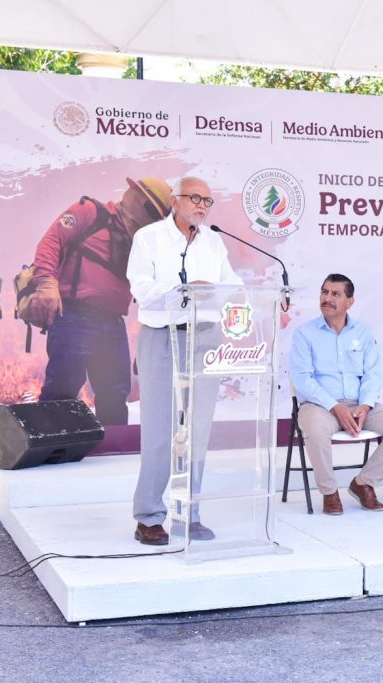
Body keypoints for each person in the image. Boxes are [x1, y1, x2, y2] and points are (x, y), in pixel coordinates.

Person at [127, 177, 242, 545]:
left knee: (197, 430)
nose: (202, 206)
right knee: (159, 430)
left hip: (204, 336)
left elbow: (233, 285)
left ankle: (188, 514)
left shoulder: (213, 241)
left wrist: (219, 292)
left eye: (207, 200)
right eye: (195, 198)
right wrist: (183, 291)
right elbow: (141, 288)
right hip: (162, 335)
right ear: (175, 201)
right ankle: (148, 516)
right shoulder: (149, 237)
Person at [26, 177, 172, 425]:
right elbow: (52, 241)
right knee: (63, 387)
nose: (155, 221)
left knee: (114, 392)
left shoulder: (143, 243)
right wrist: (47, 283)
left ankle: (112, 444)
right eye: (152, 211)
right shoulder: (90, 212)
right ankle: (49, 441)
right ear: (136, 197)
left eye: (161, 218)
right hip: (73, 315)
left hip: (112, 322)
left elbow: (152, 289)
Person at [289, 273, 383, 515]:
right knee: (314, 427)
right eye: (324, 292)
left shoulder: (363, 333)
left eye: (335, 294)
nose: (327, 298)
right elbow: (303, 379)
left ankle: (364, 483)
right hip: (320, 406)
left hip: (359, 405)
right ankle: (329, 492)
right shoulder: (305, 333)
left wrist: (365, 406)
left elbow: (373, 375)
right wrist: (335, 407)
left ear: (350, 302)